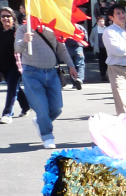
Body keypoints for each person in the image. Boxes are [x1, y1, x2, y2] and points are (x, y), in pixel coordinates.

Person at [14, 19, 80, 149]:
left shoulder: (53, 29)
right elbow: (17, 48)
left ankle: (40, 121)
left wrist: (71, 66)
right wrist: (24, 41)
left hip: (52, 72)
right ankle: (47, 135)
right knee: (41, 107)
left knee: (57, 108)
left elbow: (61, 49)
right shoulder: (23, 29)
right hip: (32, 73)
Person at [0, 8, 30, 123]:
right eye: (3, 16)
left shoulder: (18, 30)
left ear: (13, 18)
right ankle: (26, 106)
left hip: (16, 64)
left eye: (8, 16)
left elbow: (25, 47)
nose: (5, 18)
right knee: (15, 87)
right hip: (3, 65)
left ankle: (7, 113)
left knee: (12, 88)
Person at [89, 16, 109, 82]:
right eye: (100, 21)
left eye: (102, 21)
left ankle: (106, 73)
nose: (101, 23)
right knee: (101, 62)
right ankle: (103, 75)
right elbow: (91, 38)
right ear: (97, 22)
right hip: (99, 49)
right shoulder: (94, 30)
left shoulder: (107, 29)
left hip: (107, 49)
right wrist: (93, 45)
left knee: (107, 62)